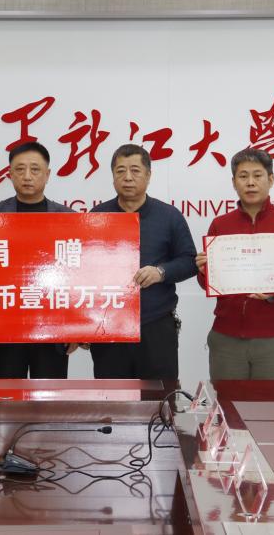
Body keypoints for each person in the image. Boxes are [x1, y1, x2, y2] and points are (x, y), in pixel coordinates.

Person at [196, 148, 274, 380]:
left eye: (257, 175)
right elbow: (209, 282)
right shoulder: (220, 224)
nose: (250, 182)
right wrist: (203, 271)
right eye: (243, 176)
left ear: (271, 179)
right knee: (227, 402)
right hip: (226, 338)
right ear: (234, 182)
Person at [90, 144, 197, 379]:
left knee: (159, 396)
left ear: (148, 175)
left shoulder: (169, 216)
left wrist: (161, 272)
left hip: (155, 324)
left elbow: (190, 261)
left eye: (135, 170)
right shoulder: (97, 217)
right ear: (113, 176)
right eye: (120, 171)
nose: (128, 177)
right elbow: (82, 270)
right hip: (109, 325)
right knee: (112, 397)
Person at [0, 142, 76, 378]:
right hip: (5, 328)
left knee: (49, 397)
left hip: (53, 329)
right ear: (10, 174)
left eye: (35, 169)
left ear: (47, 174)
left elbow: (77, 276)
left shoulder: (68, 218)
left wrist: (77, 329)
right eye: (20, 169)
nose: (27, 176)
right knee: (6, 395)